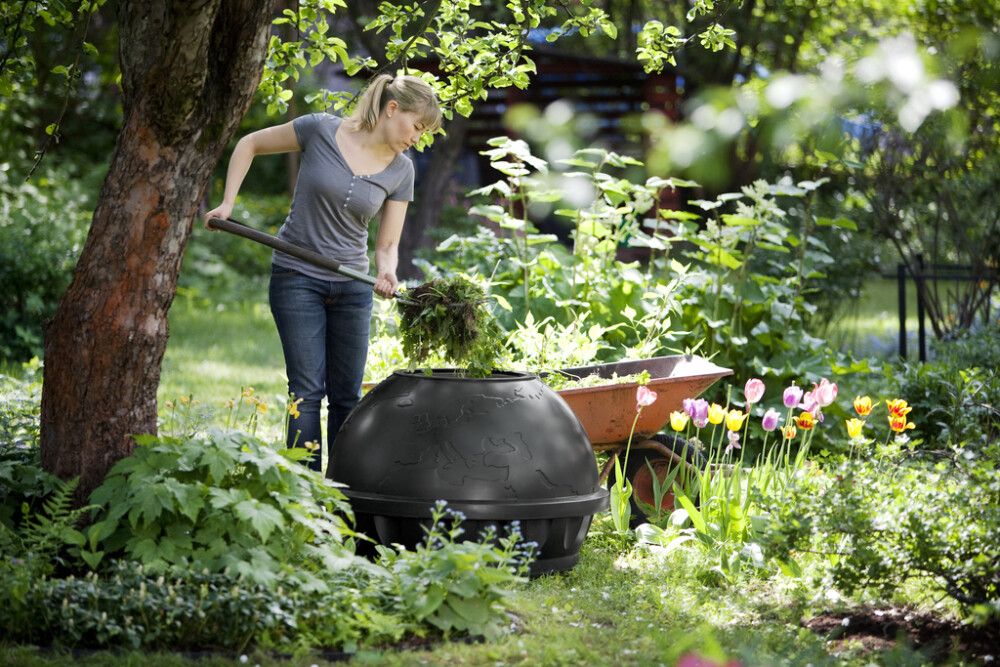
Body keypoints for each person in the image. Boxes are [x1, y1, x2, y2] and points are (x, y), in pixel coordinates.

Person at [204, 74, 442, 472]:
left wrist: (387, 273)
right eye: (417, 126)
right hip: (296, 278)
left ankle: (342, 492)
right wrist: (228, 204)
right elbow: (250, 144)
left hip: (353, 288)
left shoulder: (403, 170)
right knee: (306, 391)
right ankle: (306, 492)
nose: (417, 138)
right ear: (392, 109)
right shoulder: (320, 129)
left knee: (347, 396)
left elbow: (386, 245)